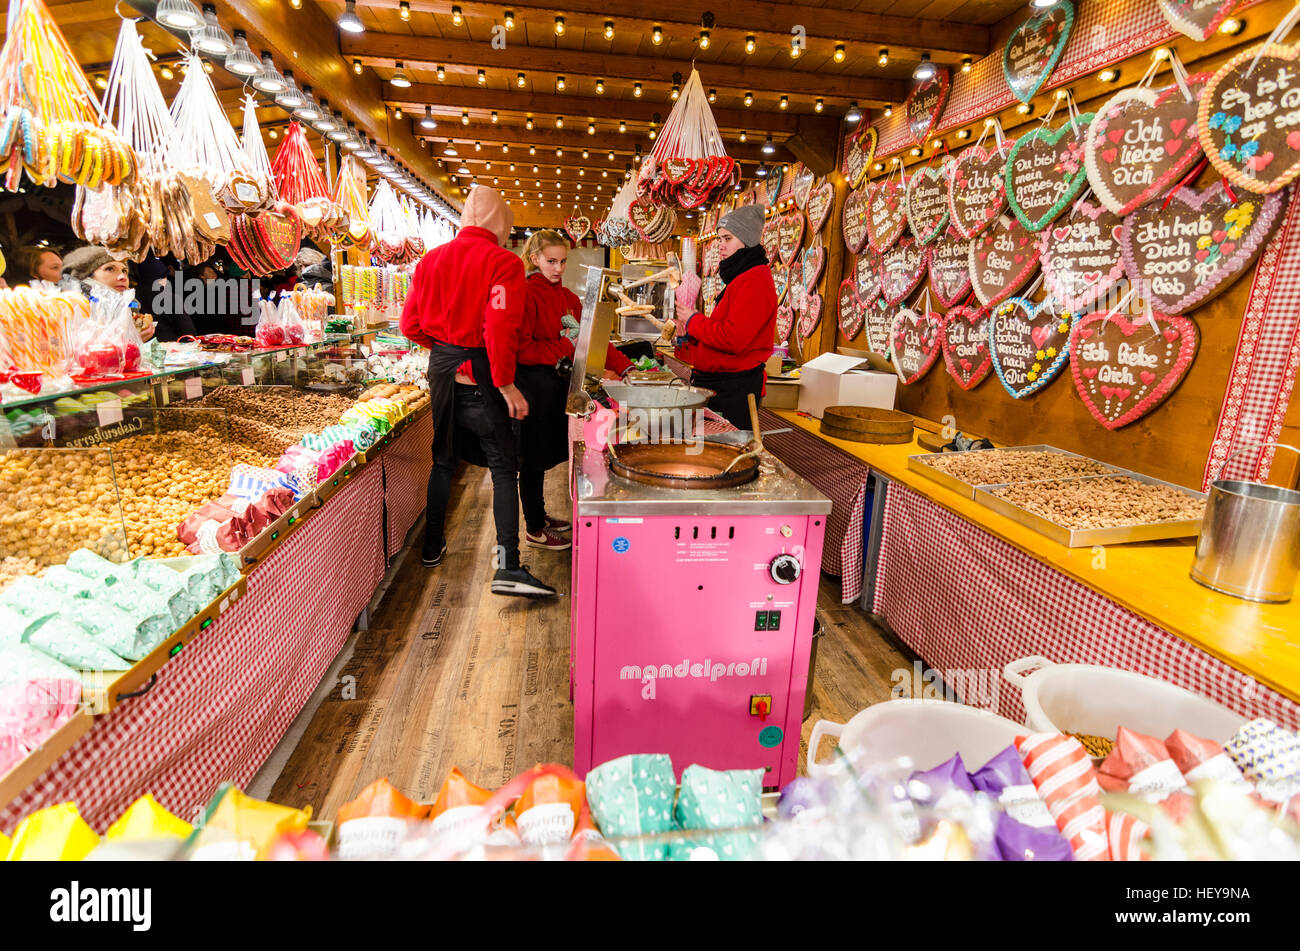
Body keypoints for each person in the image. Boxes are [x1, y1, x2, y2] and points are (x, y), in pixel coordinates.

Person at [399, 185, 556, 598]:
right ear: (499, 222)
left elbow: (410, 327)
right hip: (486, 370)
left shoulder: (430, 260)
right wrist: (505, 383)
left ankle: (432, 546)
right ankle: (509, 566)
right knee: (504, 466)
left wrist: (448, 354)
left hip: (442, 369)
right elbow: (499, 328)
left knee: (443, 460)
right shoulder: (504, 262)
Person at [510, 229, 632, 552]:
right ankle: (534, 528)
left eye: (563, 261)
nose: (558, 268)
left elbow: (593, 340)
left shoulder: (569, 299)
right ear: (535, 258)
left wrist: (626, 366)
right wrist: (563, 346)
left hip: (558, 389)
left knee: (551, 455)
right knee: (532, 461)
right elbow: (522, 349)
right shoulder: (526, 292)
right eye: (551, 261)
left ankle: (541, 516)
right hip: (533, 387)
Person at [672, 204, 776, 429]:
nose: (720, 246)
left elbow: (733, 338)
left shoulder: (754, 280)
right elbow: (722, 332)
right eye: (720, 239)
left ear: (746, 239)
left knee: (726, 456)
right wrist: (689, 335)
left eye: (727, 239)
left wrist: (693, 319)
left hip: (734, 390)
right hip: (722, 385)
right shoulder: (740, 278)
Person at [61, 245, 155, 342]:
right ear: (85, 276)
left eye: (124, 271)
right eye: (110, 269)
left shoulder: (130, 309)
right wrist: (126, 341)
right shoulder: (73, 309)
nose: (122, 277)